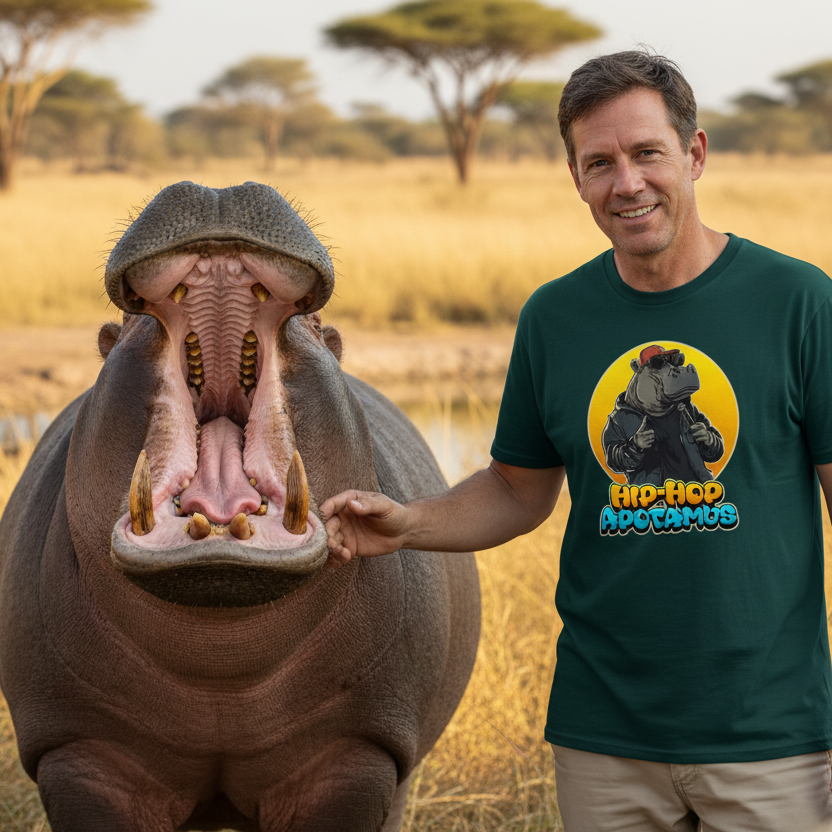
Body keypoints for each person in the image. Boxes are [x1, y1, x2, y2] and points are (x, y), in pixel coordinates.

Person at [321, 50, 832, 832]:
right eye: (599, 163)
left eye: (647, 154)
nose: (626, 183)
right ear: (576, 177)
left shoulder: (797, 302)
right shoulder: (555, 319)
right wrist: (409, 524)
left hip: (771, 734)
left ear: (695, 155)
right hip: (604, 733)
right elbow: (518, 488)